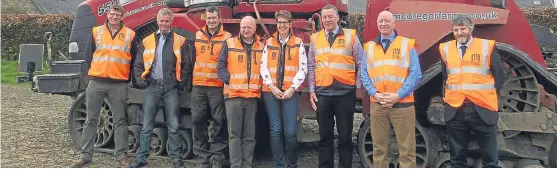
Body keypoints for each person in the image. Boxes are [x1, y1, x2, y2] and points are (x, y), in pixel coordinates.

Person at [72, 4, 137, 168]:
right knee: (91, 119)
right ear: (107, 15)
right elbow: (89, 56)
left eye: (118, 15)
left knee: (120, 120)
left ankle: (122, 155)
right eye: (112, 14)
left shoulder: (130, 35)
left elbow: (134, 60)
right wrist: (93, 74)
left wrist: (126, 79)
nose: (114, 17)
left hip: (118, 84)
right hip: (97, 82)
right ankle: (85, 156)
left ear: (123, 17)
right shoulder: (96, 32)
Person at [439, 14, 505, 168]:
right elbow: (446, 76)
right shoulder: (445, 48)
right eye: (456, 29)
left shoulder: (486, 46)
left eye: (463, 28)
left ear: (470, 29)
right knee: (457, 158)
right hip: (455, 110)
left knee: (489, 158)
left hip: (482, 109)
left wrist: (486, 95)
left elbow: (500, 75)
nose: (460, 32)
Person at [129, 8, 192, 168]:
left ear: (171, 22)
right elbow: (137, 65)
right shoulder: (147, 40)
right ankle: (141, 160)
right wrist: (143, 82)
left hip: (171, 88)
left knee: (173, 125)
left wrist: (180, 83)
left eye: (166, 21)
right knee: (147, 125)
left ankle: (176, 159)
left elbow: (186, 65)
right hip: (153, 87)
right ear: (157, 21)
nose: (164, 24)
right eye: (161, 21)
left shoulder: (180, 40)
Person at [361, 10, 422, 168]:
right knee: (379, 150)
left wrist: (398, 95)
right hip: (378, 105)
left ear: (394, 23)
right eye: (380, 21)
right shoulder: (369, 47)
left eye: (387, 21)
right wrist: (375, 94)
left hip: (402, 104)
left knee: (407, 150)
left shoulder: (407, 45)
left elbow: (415, 74)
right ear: (377, 24)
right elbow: (364, 74)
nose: (383, 24)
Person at [307, 4, 364, 168]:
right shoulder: (315, 38)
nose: (327, 20)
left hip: (345, 95)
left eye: (330, 17)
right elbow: (311, 66)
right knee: (324, 137)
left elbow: (361, 63)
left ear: (337, 18)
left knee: (345, 137)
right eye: (324, 17)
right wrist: (312, 90)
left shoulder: (351, 36)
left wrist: (358, 86)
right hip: (323, 95)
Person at [260, 10, 307, 168]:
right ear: (276, 23)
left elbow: (303, 68)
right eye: (279, 22)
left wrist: (292, 89)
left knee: (291, 132)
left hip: (290, 93)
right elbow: (263, 67)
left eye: (284, 22)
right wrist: (271, 86)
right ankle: (279, 164)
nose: (281, 25)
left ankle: (292, 164)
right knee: (275, 130)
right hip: (271, 93)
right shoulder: (269, 43)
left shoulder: (298, 43)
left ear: (290, 24)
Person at [217, 15, 264, 168]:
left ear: (255, 29)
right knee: (234, 134)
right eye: (243, 27)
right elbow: (221, 66)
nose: (245, 30)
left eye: (249, 27)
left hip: (252, 97)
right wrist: (229, 80)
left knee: (249, 135)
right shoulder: (229, 43)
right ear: (240, 28)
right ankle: (236, 165)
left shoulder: (261, 47)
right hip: (233, 96)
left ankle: (247, 164)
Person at [190, 6, 232, 168]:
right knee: (197, 120)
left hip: (216, 86)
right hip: (199, 86)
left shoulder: (227, 38)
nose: (211, 20)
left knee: (219, 121)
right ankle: (201, 157)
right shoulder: (197, 35)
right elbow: (191, 59)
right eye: (209, 18)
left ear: (219, 19)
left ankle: (217, 157)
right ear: (205, 18)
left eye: (214, 18)